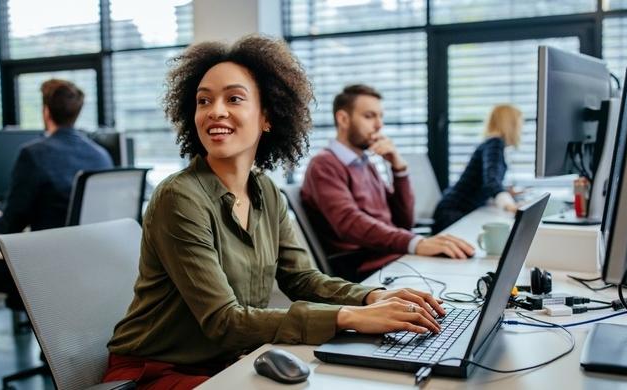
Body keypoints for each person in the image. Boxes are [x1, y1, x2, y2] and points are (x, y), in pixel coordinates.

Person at [102, 36, 446, 390]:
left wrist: (372, 297)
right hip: (154, 372)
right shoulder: (179, 198)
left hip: (225, 362)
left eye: (234, 98)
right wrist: (351, 316)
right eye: (204, 100)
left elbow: (302, 279)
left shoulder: (265, 190)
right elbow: (225, 322)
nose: (215, 110)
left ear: (267, 116)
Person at [0, 79, 113, 390]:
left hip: (46, 274)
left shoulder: (34, 154)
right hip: (90, 270)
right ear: (76, 113)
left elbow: (10, 225)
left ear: (47, 112)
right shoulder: (101, 155)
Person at [300, 84, 475, 281]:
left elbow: (403, 222)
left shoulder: (366, 163)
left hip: (389, 257)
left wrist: (399, 169)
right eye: (369, 116)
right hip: (366, 266)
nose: (379, 125)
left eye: (380, 116)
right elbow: (350, 223)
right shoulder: (324, 165)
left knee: (463, 265)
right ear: (343, 119)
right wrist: (415, 243)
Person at [432, 104, 522, 234]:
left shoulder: (492, 144)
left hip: (456, 210)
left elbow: (484, 183)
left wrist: (506, 192)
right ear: (510, 124)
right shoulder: (495, 144)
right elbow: (491, 183)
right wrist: (510, 206)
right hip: (452, 214)